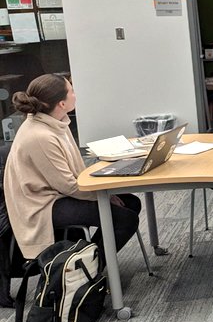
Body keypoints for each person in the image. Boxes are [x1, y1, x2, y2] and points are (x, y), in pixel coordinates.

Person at [2, 74, 142, 260]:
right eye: (72, 91)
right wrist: (102, 195)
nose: (75, 94)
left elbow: (72, 176)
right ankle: (87, 273)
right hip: (43, 204)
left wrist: (105, 193)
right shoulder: (40, 136)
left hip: (59, 193)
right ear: (61, 103)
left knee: (131, 203)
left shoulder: (57, 121)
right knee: (125, 219)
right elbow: (67, 185)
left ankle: (86, 263)